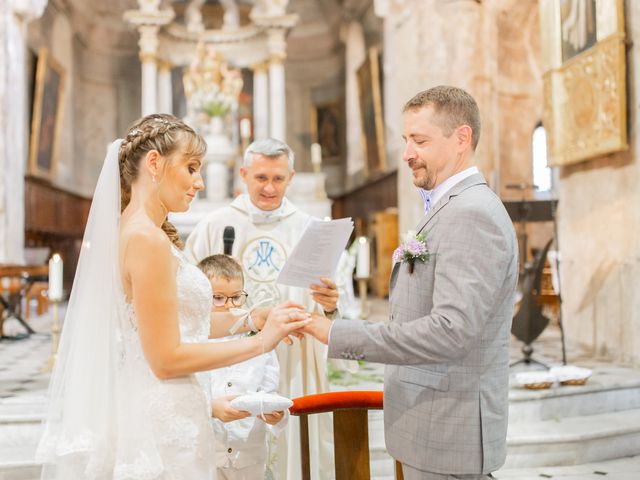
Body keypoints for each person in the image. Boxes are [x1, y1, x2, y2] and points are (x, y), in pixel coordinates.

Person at [36, 114, 310, 480]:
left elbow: (181, 324)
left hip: (167, 409)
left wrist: (251, 318)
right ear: (154, 163)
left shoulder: (141, 231)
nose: (199, 182)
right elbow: (166, 357)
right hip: (161, 422)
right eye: (192, 167)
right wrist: (262, 342)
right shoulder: (146, 240)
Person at [304, 86, 519, 480]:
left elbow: (451, 332)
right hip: (428, 421)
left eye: (419, 140)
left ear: (461, 138)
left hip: (451, 429)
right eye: (406, 140)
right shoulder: (448, 207)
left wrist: (337, 333)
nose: (406, 154)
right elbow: (414, 310)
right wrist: (333, 310)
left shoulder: (472, 214)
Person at [184, 137, 337, 480]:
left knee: (292, 452)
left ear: (291, 177)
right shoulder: (214, 225)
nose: (270, 187)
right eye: (261, 178)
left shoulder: (308, 228)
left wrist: (330, 305)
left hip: (292, 355)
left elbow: (331, 306)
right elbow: (188, 301)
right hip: (230, 359)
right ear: (244, 174)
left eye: (278, 179)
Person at [199, 254, 287, 480]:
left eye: (236, 297)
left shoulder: (259, 339)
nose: (229, 306)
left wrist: (276, 415)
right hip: (205, 452)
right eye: (217, 298)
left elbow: (269, 390)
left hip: (248, 455)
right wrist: (211, 408)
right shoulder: (193, 340)